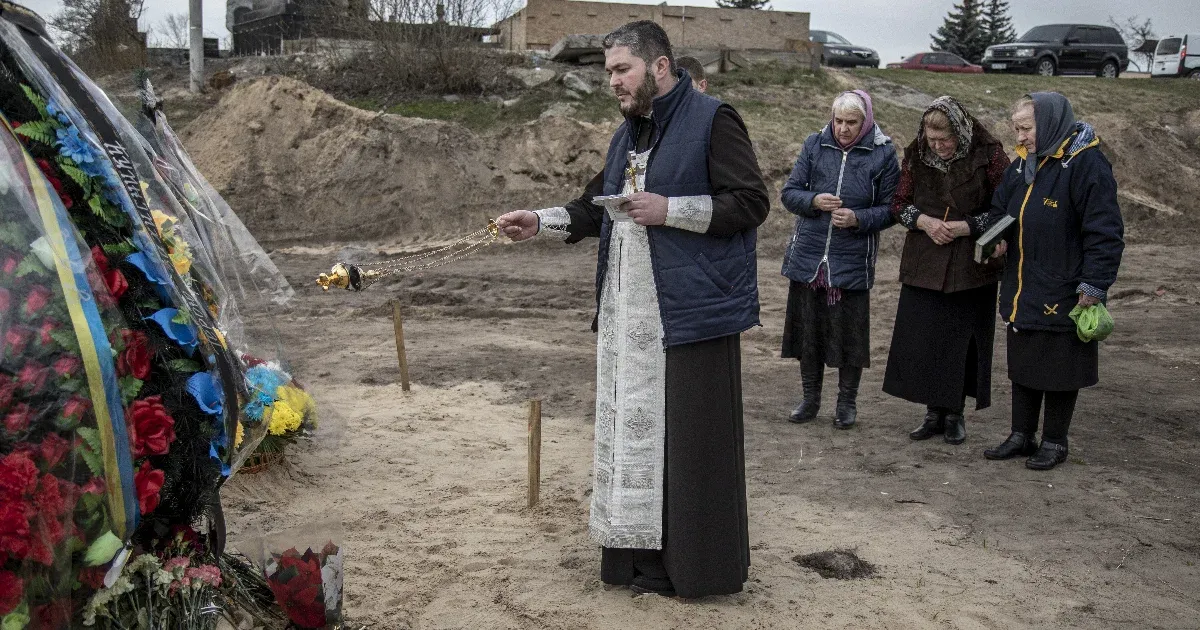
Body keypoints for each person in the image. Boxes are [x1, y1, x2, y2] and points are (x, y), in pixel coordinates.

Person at [495, 21, 769, 597]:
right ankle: (638, 564)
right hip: (630, 315)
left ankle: (696, 571)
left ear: (661, 66)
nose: (613, 82)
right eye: (608, 72)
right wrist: (539, 221)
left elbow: (750, 202)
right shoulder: (629, 134)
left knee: (690, 443)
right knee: (636, 441)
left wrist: (669, 208)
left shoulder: (713, 119)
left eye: (622, 70)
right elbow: (598, 206)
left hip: (691, 314)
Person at [982, 92, 1123, 470]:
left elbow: (1105, 233)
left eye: (1026, 129)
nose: (1020, 137)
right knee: (1023, 360)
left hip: (1065, 286)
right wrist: (994, 241)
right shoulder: (1022, 165)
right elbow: (1000, 211)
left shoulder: (1087, 165)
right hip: (1023, 283)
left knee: (1060, 366)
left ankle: (1055, 441)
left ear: (1049, 124)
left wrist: (1094, 285)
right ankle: (1021, 434)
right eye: (1016, 130)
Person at [881, 96, 1010, 445]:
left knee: (960, 341)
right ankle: (932, 413)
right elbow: (897, 204)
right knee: (926, 339)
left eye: (945, 140)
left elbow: (1009, 205)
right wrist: (924, 222)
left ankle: (955, 414)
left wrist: (967, 227)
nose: (937, 147)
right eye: (932, 139)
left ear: (961, 132)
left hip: (972, 263)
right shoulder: (916, 154)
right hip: (925, 259)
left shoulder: (990, 156)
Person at [779, 90, 899, 429]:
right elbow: (789, 193)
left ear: (865, 122)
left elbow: (893, 210)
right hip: (809, 258)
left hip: (851, 261)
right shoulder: (814, 144)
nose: (843, 129)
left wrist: (859, 219)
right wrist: (814, 200)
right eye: (839, 120)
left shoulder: (883, 154)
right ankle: (810, 399)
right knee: (809, 333)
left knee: (850, 337)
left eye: (852, 122)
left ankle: (847, 404)